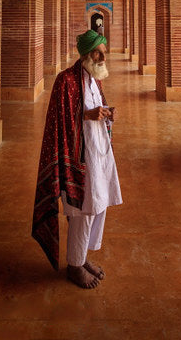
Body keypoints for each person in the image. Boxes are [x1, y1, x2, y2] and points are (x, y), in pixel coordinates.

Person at [32, 29, 122, 289]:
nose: (103, 57)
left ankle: (82, 258)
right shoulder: (66, 81)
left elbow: (97, 107)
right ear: (86, 54)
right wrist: (87, 116)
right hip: (78, 158)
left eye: (104, 52)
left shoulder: (94, 79)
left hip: (98, 152)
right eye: (99, 53)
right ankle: (74, 266)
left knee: (98, 205)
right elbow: (60, 121)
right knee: (84, 210)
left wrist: (107, 114)